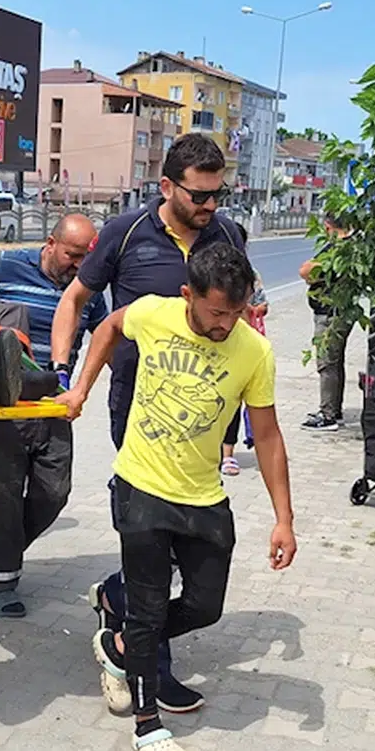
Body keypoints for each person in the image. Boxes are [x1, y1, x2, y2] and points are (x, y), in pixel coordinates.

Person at [70, 243, 297, 751]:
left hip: (203, 495)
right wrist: (80, 387)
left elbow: (266, 435)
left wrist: (284, 519)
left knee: (204, 606)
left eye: (236, 313)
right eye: (217, 312)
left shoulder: (253, 351)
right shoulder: (153, 312)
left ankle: (120, 638)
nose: (226, 324)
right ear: (187, 295)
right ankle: (148, 727)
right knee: (149, 608)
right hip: (142, 485)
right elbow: (106, 329)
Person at [51, 133, 250, 714]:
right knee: (152, 541)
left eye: (219, 194)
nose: (211, 206)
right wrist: (68, 374)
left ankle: (117, 602)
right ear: (167, 186)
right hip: (136, 411)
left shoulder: (228, 236)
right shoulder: (126, 233)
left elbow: (241, 310)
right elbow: (78, 302)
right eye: (200, 195)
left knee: (181, 542)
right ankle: (149, 664)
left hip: (203, 420)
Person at [0, 213, 108, 618]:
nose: (76, 266)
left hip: (54, 403)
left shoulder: (87, 290)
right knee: (2, 490)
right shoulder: (6, 270)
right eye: (71, 255)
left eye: (84, 260)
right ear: (50, 244)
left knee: (54, 491)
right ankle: (0, 581)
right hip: (4, 404)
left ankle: (3, 550)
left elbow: (106, 336)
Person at [220, 221, 269, 477]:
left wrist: (247, 310)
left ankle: (227, 454)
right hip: (212, 344)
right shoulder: (210, 273)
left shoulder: (251, 275)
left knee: (234, 398)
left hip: (240, 344)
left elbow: (263, 304)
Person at [299, 215, 354, 432]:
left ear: (328, 226)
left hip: (331, 315)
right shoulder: (352, 247)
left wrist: (312, 270)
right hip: (342, 312)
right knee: (336, 362)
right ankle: (334, 409)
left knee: (327, 363)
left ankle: (328, 414)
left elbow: (305, 271)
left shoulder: (337, 249)